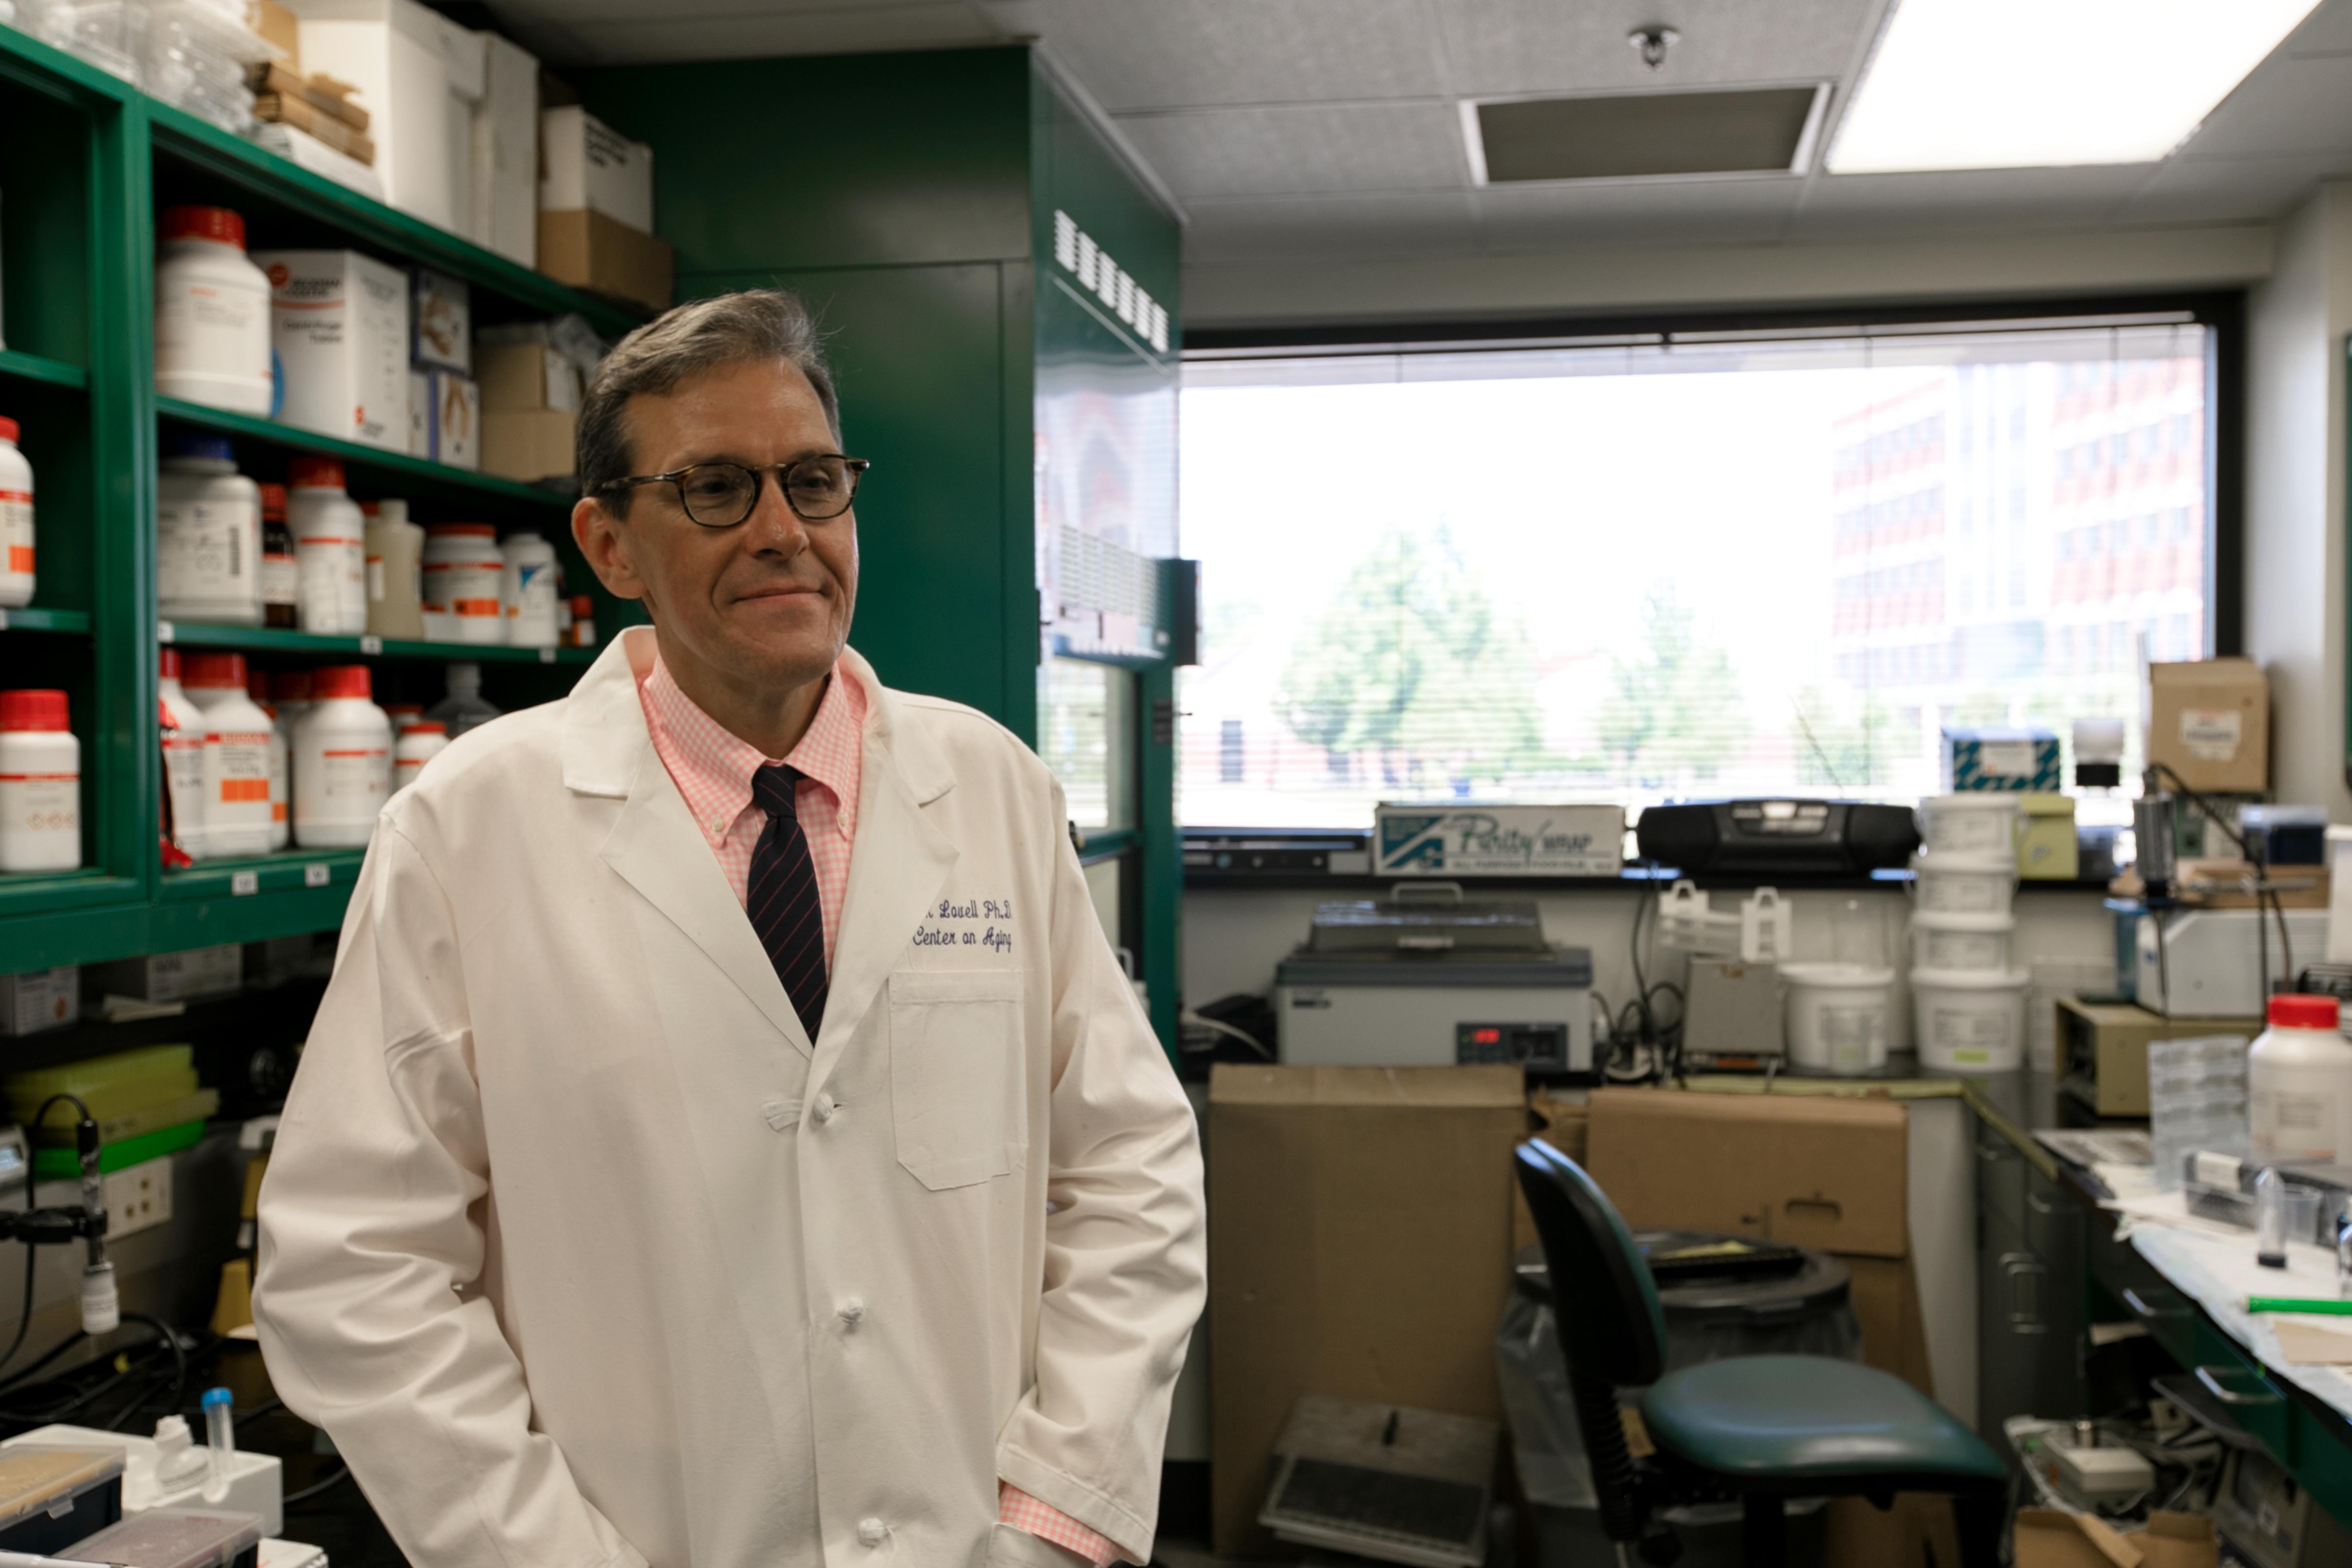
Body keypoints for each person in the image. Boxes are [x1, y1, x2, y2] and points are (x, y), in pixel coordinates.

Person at [253, 289, 1206, 1568]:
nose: (783, 531)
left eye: (814, 481)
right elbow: (352, 1265)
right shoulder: (469, 829)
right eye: (716, 489)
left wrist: (1053, 1520)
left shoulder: (994, 791)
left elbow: (1131, 1176)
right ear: (610, 544)